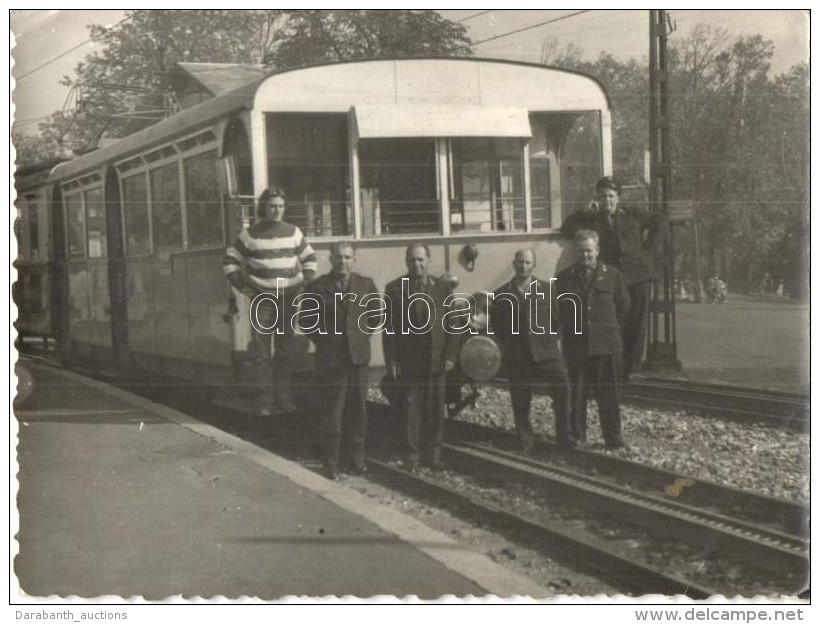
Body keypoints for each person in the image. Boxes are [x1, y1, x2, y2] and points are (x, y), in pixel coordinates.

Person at [560, 176, 667, 380]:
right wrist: (584, 210)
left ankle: (631, 370)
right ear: (597, 198)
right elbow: (567, 227)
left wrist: (648, 249)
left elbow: (661, 221)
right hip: (613, 278)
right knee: (614, 321)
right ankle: (615, 368)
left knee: (637, 322)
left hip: (639, 275)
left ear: (618, 197)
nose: (606, 201)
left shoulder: (632, 214)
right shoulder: (592, 219)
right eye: (602, 197)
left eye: (610, 196)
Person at [222, 186, 317, 415]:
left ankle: (284, 397)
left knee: (284, 351)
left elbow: (310, 259)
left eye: (281, 206)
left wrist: (303, 285)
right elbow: (230, 261)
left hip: (288, 300)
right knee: (262, 354)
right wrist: (246, 289)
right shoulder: (250, 234)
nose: (277, 210)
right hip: (262, 301)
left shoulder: (294, 232)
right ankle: (264, 400)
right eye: (273, 206)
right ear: (263, 207)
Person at [302, 241, 379, 480]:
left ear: (354, 259)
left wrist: (359, 338)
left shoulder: (365, 285)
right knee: (332, 414)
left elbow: (375, 315)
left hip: (358, 360)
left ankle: (357, 460)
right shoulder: (317, 287)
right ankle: (331, 463)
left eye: (347, 257)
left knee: (358, 411)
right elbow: (306, 321)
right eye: (338, 257)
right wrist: (327, 343)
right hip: (331, 360)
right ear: (330, 259)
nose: (343, 261)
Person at [383, 244, 461, 470]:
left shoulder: (443, 288)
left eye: (420, 260)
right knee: (411, 410)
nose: (416, 264)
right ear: (406, 262)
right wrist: (392, 361)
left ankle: (433, 454)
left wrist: (450, 357)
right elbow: (389, 329)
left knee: (435, 409)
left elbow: (453, 327)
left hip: (437, 361)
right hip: (409, 362)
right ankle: (411, 455)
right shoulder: (395, 289)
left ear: (429, 261)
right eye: (411, 260)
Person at [490, 249, 573, 451]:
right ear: (514, 264)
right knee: (520, 400)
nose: (523, 266)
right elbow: (498, 326)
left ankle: (565, 436)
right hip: (518, 355)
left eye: (528, 262)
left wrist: (550, 339)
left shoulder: (547, 289)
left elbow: (557, 318)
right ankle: (525, 440)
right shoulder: (502, 294)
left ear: (533, 265)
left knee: (563, 391)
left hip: (547, 352)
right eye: (520, 262)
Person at [556, 230, 631, 450]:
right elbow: (559, 312)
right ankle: (577, 436)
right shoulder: (563, 278)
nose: (585, 255)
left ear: (597, 250)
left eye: (589, 250)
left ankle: (613, 437)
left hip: (607, 346)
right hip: (577, 346)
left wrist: (605, 329)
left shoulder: (613, 275)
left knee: (609, 395)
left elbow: (624, 307)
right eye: (580, 251)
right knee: (577, 396)